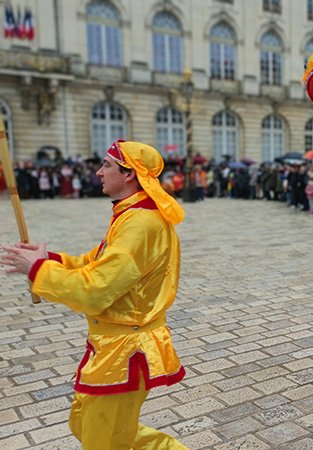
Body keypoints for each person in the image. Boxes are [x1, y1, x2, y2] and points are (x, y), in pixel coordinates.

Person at [0, 140, 188, 449]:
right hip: (111, 347)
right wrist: (48, 260)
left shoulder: (140, 223)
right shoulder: (129, 215)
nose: (99, 172)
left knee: (105, 441)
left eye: (107, 165)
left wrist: (38, 272)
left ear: (129, 175)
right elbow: (94, 264)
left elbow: (96, 291)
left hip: (126, 348)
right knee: (88, 426)